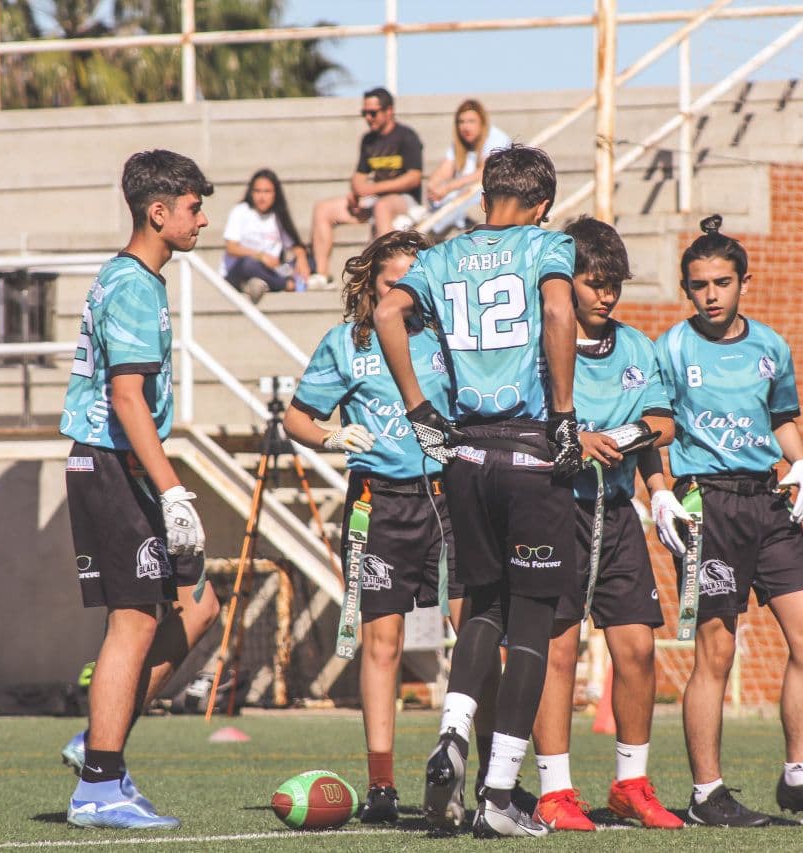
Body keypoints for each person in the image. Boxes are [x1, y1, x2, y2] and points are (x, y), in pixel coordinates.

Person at [373, 143, 582, 839]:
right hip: (527, 448)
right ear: (543, 203)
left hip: (463, 451)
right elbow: (558, 314)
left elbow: (384, 316)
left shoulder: (439, 255)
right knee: (531, 622)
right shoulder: (545, 245)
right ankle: (498, 791)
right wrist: (563, 414)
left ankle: (454, 728)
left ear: (485, 192)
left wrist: (417, 408)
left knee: (483, 604)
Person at [650, 214, 803, 827]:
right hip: (705, 506)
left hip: (768, 504)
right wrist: (662, 493)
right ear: (686, 288)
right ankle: (706, 794)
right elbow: (656, 428)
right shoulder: (671, 346)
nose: (710, 294)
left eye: (722, 281)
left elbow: (781, 418)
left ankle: (799, 777)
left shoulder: (772, 346)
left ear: (745, 281)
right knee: (715, 652)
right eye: (698, 284)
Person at [58, 149, 221, 830]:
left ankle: (101, 734)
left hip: (123, 466)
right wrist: (174, 489)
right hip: (111, 464)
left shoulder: (141, 280)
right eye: (192, 206)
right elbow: (126, 398)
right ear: (159, 212)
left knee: (200, 606)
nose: (202, 219)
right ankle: (99, 781)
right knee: (136, 618)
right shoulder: (131, 284)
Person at [283, 229, 465, 825]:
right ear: (370, 283)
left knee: (476, 632)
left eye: (416, 282)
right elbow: (298, 417)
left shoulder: (446, 338)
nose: (406, 293)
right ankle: (382, 784)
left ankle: (486, 771)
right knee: (382, 644)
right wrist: (332, 435)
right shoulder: (344, 343)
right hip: (376, 506)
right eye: (394, 281)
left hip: (448, 499)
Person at [527, 216, 683, 832]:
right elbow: (522, 424)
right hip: (554, 508)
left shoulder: (638, 346)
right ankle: (555, 791)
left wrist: (655, 481)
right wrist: (574, 438)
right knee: (558, 649)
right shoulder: (538, 344)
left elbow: (663, 425)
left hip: (616, 514)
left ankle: (631, 783)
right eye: (594, 283)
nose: (606, 294)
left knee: (638, 649)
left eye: (614, 282)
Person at [308, 87, 424, 289]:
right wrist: (356, 194)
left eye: (373, 113)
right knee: (323, 209)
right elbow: (359, 178)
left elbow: (414, 178)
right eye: (365, 113)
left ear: (389, 111)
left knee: (382, 207)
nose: (368, 118)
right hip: (375, 199)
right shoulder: (368, 140)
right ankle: (322, 274)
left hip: (404, 200)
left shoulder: (407, 137)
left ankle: (384, 273)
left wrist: (373, 189)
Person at [422, 99, 511, 236]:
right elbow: (444, 170)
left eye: (471, 121)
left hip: (489, 198)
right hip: (461, 200)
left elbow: (486, 172)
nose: (465, 127)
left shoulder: (496, 138)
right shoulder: (458, 144)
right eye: (461, 122)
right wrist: (434, 185)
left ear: (482, 122)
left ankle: (431, 231)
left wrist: (448, 187)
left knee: (470, 194)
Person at [221, 168, 310, 302]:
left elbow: (295, 245)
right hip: (241, 269)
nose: (262, 197)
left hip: (271, 270)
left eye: (267, 191)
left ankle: (259, 284)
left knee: (310, 257)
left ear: (275, 194)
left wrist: (302, 259)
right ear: (251, 192)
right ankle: (286, 284)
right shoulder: (240, 211)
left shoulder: (278, 215)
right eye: (257, 191)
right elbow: (231, 248)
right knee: (249, 264)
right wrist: (261, 256)